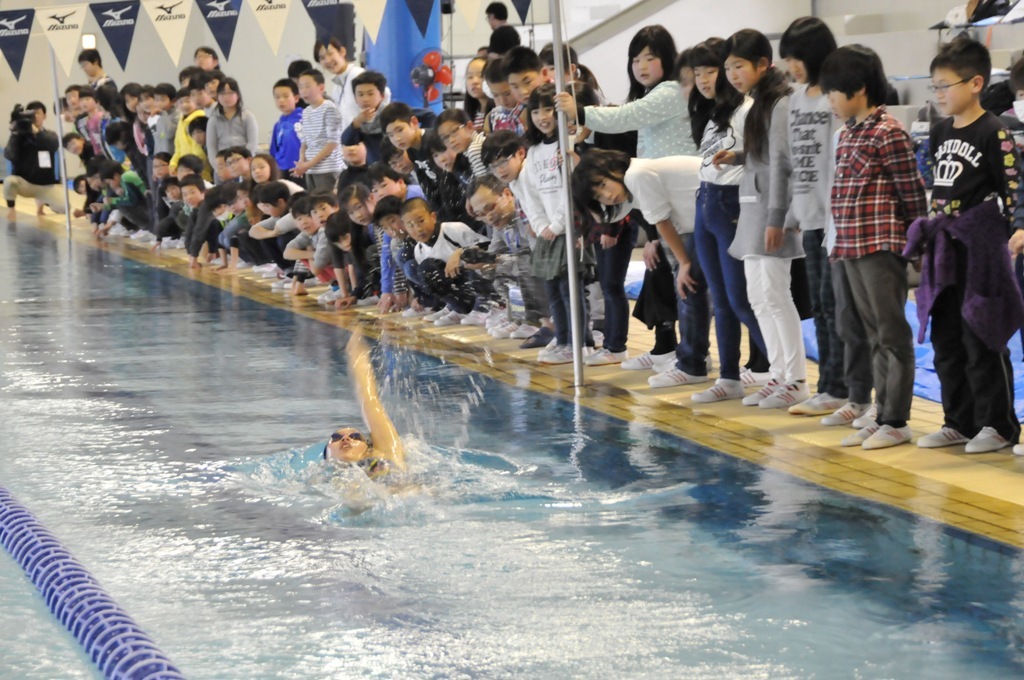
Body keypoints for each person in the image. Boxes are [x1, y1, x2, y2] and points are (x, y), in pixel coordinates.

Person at [905, 37, 1023, 454]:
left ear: (975, 83)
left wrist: (1015, 232)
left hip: (981, 248)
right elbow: (932, 187)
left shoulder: (997, 132)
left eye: (945, 86)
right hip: (944, 247)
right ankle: (959, 419)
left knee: (982, 333)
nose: (938, 94)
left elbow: (1013, 191)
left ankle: (999, 423)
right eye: (933, 87)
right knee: (946, 337)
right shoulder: (937, 133)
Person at [821, 44, 927, 449]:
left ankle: (896, 418)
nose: (829, 99)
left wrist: (916, 246)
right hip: (850, 245)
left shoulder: (889, 131)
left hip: (880, 246)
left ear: (859, 89)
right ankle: (881, 411)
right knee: (869, 332)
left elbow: (912, 194)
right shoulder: (848, 132)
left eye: (834, 91)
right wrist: (838, 245)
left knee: (891, 332)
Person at [713, 29, 807, 410]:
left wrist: (777, 218)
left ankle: (796, 379)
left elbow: (784, 165)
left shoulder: (780, 102)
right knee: (758, 297)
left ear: (763, 65)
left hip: (772, 211)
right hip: (753, 207)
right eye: (728, 68)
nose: (732, 75)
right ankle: (779, 373)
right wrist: (736, 157)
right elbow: (765, 157)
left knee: (776, 295)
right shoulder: (757, 102)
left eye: (739, 66)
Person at [684, 38, 768, 401]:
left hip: (734, 203)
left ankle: (786, 375)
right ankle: (730, 377)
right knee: (720, 298)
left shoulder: (749, 107)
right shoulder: (711, 113)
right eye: (697, 73)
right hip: (706, 200)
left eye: (712, 70)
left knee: (741, 299)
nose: (704, 80)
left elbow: (762, 157)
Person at [779, 17, 850, 418]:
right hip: (808, 216)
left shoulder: (834, 97)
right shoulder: (797, 98)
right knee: (820, 306)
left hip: (835, 218)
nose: (793, 66)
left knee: (834, 304)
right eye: (788, 59)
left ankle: (840, 386)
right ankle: (828, 384)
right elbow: (795, 161)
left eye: (797, 57)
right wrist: (792, 209)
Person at [323, 333, 405, 476]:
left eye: (355, 437)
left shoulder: (387, 455)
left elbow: (370, 400)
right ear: (326, 456)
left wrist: (358, 358)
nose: (345, 438)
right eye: (335, 438)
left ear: (370, 449)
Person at [4, 103, 63, 221]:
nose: (35, 117)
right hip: (25, 184)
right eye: (31, 114)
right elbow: (9, 155)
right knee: (9, 182)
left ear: (44, 116)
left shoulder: (50, 135)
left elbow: (53, 145)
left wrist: (36, 132)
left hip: (45, 186)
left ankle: (41, 205)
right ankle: (11, 209)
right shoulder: (19, 137)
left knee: (63, 208)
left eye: (38, 113)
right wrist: (15, 133)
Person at [295, 69, 344, 190]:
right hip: (311, 168)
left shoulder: (329, 109)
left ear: (321, 88)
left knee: (326, 204)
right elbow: (305, 141)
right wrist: (302, 161)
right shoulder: (306, 112)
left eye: (307, 86)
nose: (303, 91)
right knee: (313, 204)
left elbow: (333, 143)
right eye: (300, 87)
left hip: (328, 168)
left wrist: (308, 164)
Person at [206, 78, 259, 173]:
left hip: (244, 166)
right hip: (223, 166)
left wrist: (243, 163)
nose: (226, 97)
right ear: (217, 97)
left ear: (238, 95)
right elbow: (211, 147)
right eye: (222, 93)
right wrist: (219, 167)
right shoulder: (213, 119)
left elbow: (253, 143)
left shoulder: (247, 116)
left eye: (230, 93)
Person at [269, 79, 304, 185]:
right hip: (282, 170)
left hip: (300, 168)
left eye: (285, 96)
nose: (281, 100)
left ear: (296, 98)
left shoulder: (304, 118)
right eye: (277, 97)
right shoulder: (278, 124)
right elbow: (274, 151)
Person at [463, 57, 495, 132]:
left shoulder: (497, 112)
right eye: (470, 77)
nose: (474, 81)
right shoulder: (470, 113)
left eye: (480, 76)